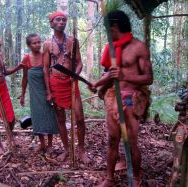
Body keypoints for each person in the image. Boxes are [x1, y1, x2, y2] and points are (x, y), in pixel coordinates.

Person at [90, 10, 153, 186]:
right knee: (112, 140)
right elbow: (111, 74)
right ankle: (110, 178)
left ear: (114, 26)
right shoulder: (112, 48)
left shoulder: (138, 47)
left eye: (107, 28)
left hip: (132, 99)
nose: (107, 32)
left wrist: (124, 76)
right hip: (113, 99)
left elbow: (148, 78)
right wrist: (97, 84)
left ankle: (137, 178)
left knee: (131, 141)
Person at [43, 11, 90, 164]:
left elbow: (79, 63)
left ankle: (81, 149)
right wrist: (48, 92)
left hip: (71, 83)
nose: (62, 22)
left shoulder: (73, 41)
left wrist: (75, 74)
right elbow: (45, 68)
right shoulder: (47, 44)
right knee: (61, 120)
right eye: (58, 19)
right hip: (55, 83)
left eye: (64, 20)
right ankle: (66, 149)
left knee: (80, 118)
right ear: (52, 24)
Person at [17, 33, 59, 154]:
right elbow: (25, 78)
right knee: (37, 118)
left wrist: (50, 92)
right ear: (29, 45)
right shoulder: (26, 58)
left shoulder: (45, 56)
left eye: (39, 42)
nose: (37, 45)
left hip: (47, 91)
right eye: (34, 43)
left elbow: (51, 73)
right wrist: (23, 94)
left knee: (50, 116)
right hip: (34, 95)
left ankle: (50, 145)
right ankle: (42, 144)